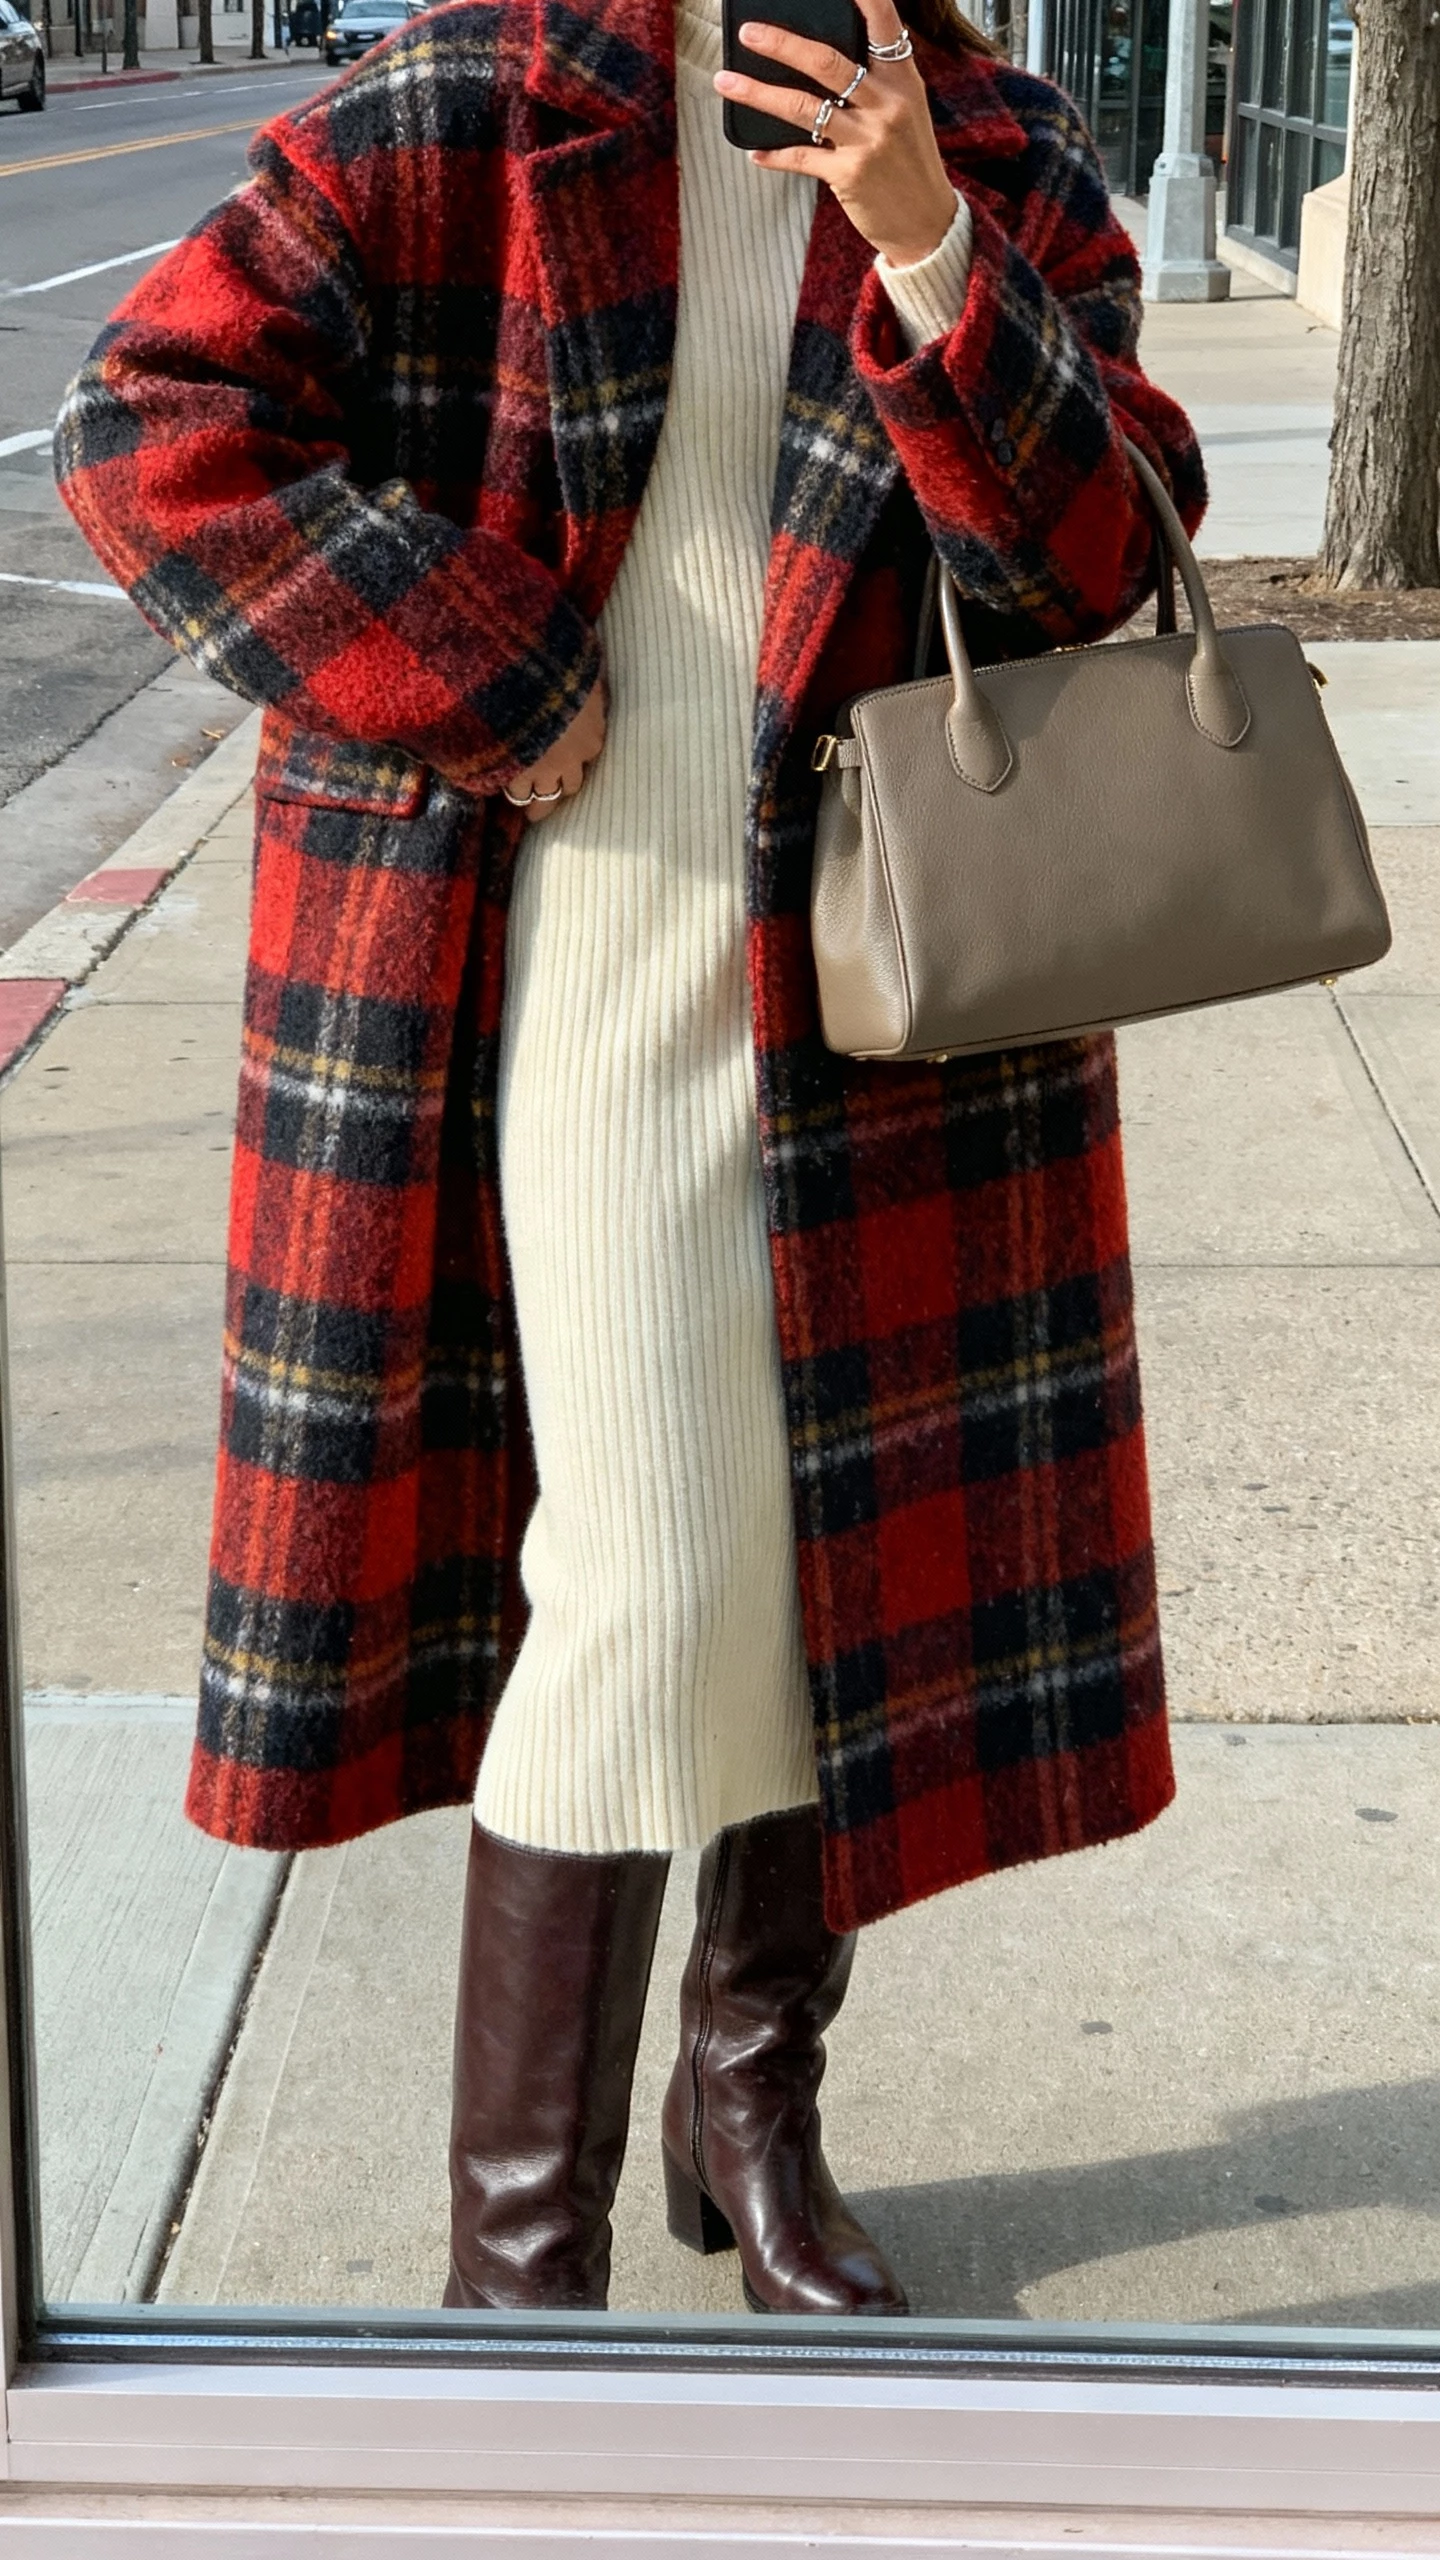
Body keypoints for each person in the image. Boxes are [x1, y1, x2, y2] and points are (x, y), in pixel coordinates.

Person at [55, 0, 1204, 2317]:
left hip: (881, 980)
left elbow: (1113, 559)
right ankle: (519, 2265)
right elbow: (147, 422)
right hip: (550, 960)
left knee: (820, 1573)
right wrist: (476, 665)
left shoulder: (996, 139)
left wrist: (932, 261)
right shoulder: (465, 101)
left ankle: (748, 2101)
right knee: (647, 1582)